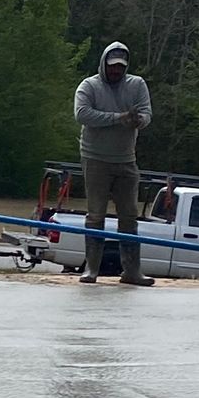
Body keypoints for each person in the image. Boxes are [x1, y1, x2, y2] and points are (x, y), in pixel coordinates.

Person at [73, 41, 153, 286]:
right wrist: (118, 118)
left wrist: (138, 120)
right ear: (103, 64)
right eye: (112, 66)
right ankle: (91, 269)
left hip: (127, 159)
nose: (116, 71)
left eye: (120, 66)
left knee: (129, 216)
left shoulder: (137, 84)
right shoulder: (89, 86)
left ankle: (131, 270)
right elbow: (82, 114)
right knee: (96, 214)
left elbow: (148, 114)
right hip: (95, 158)